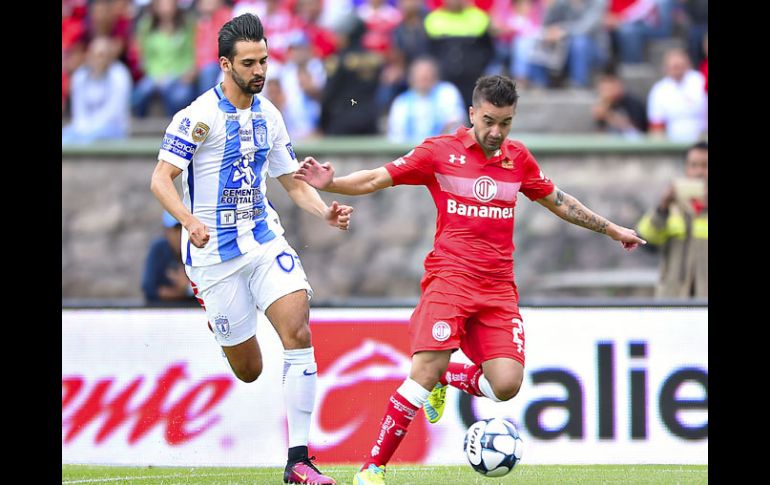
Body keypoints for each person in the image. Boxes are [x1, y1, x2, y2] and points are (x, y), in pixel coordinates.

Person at [293, 75, 646, 484]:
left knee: (506, 386)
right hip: (451, 280)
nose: (497, 132)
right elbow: (376, 177)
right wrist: (332, 183)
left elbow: (560, 201)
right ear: (472, 113)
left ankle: (449, 375)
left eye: (506, 123)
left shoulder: (519, 159)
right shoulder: (439, 152)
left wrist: (613, 229)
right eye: (490, 121)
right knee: (423, 370)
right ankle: (373, 469)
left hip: (498, 290)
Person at [149, 13, 351, 485]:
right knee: (249, 369)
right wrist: (188, 219)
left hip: (262, 241)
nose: (260, 70)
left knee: (298, 330)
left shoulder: (270, 115)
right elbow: (160, 179)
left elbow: (292, 183)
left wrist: (324, 213)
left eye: (264, 60)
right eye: (249, 63)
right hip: (213, 257)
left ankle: (299, 460)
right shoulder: (199, 116)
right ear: (224, 64)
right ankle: (216, 312)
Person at [637, 141, 707, 299]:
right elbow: (644, 240)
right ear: (685, 169)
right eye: (694, 165)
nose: (700, 172)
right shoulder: (670, 207)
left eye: (705, 165)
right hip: (673, 302)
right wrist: (663, 208)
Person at [141, 211, 196, 303]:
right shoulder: (158, 249)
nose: (180, 235)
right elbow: (149, 289)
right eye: (176, 230)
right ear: (166, 232)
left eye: (183, 229)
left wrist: (187, 288)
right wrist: (184, 291)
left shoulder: (196, 248)